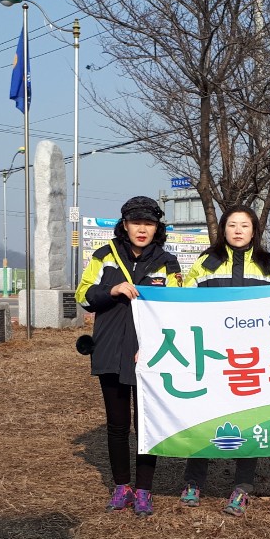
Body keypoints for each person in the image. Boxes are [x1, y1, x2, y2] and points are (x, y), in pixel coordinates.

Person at [76, 196, 181, 517]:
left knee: (146, 425)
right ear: (124, 225)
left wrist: (153, 346)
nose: (142, 229)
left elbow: (176, 309)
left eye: (149, 224)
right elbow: (82, 294)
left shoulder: (168, 263)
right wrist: (112, 290)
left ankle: (145, 490)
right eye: (136, 223)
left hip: (150, 355)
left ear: (157, 228)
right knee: (117, 425)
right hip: (109, 350)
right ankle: (122, 487)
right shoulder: (104, 256)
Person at [179, 204, 270, 517]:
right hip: (211, 354)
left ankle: (242, 488)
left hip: (250, 358)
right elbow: (182, 303)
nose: (238, 230)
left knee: (249, 420)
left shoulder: (268, 265)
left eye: (245, 225)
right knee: (203, 416)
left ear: (254, 231)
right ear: (222, 229)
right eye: (232, 225)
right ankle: (193, 483)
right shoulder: (206, 263)